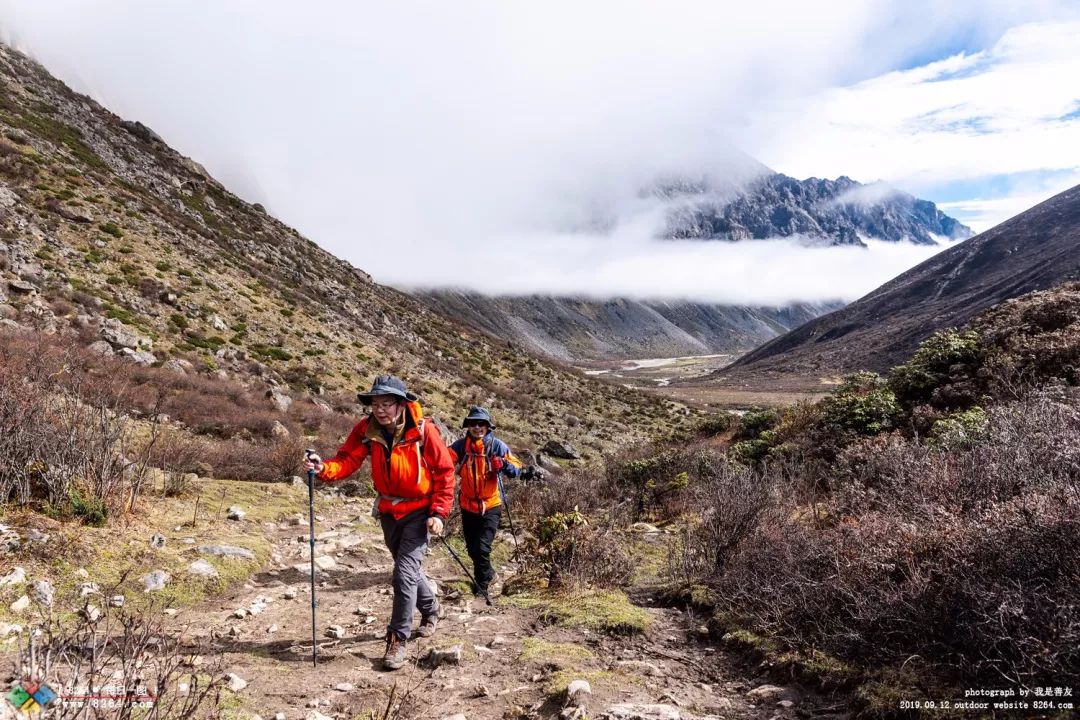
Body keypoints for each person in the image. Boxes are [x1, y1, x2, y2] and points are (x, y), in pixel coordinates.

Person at [303, 375, 455, 670]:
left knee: (403, 572)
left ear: (401, 404)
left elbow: (445, 472)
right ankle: (431, 608)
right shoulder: (366, 429)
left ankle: (398, 638)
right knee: (405, 566)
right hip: (389, 510)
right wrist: (323, 469)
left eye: (386, 403)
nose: (380, 409)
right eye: (375, 403)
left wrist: (438, 513)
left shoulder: (424, 430)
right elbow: (347, 460)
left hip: (420, 511)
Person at [448, 406, 522, 598]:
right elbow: (443, 461)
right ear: (468, 426)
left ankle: (481, 585)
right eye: (473, 423)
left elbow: (517, 468)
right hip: (467, 505)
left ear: (488, 426)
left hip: (491, 505)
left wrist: (504, 464)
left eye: (482, 424)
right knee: (472, 549)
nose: (477, 427)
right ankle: (489, 573)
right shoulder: (460, 446)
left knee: (482, 547)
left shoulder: (497, 446)